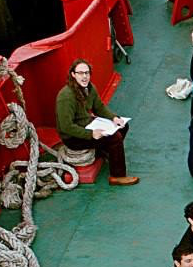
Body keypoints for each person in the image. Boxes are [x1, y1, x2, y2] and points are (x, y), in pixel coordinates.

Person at [55, 58, 137, 186]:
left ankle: (105, 152)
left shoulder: (90, 88)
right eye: (80, 73)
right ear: (73, 75)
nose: (84, 76)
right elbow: (66, 127)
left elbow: (99, 108)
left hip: (88, 124)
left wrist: (114, 118)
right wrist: (91, 134)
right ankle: (117, 176)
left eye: (87, 73)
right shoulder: (66, 96)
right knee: (115, 138)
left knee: (123, 126)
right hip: (73, 137)